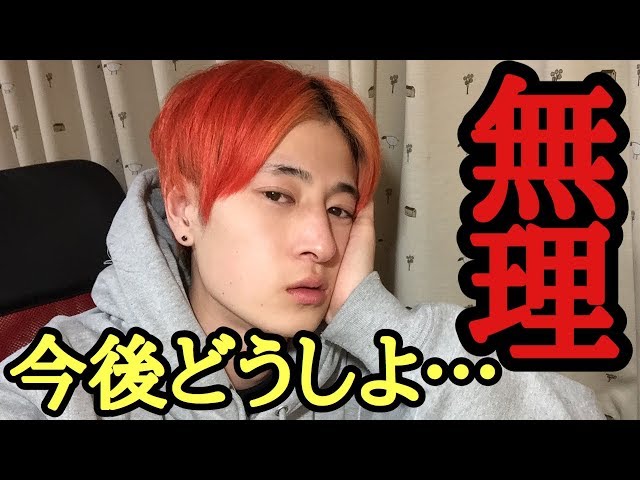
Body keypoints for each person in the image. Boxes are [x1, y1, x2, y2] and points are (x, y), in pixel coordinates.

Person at [0, 60, 606, 420]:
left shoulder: (352, 366)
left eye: (339, 209)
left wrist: (372, 318)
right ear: (184, 208)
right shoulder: (66, 381)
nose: (323, 242)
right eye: (278, 195)